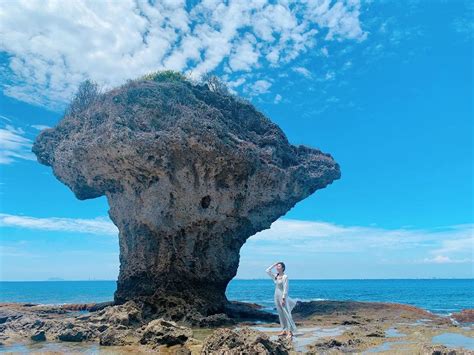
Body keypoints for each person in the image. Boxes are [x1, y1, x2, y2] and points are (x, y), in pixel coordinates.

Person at [265, 261, 297, 339]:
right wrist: (274, 264)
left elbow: (286, 288)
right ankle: (284, 330)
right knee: (280, 313)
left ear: (282, 268)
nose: (277, 267)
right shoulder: (275, 276)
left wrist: (283, 298)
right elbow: (267, 271)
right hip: (276, 296)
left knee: (286, 313)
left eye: (279, 266)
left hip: (283, 297)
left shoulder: (285, 277)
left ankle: (290, 331)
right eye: (277, 266)